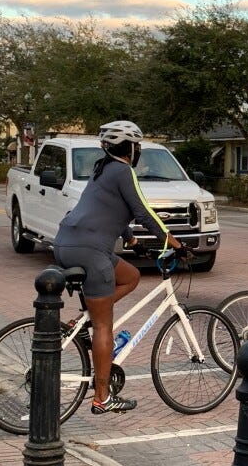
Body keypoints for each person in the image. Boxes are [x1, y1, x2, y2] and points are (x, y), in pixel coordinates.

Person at [53, 120, 186, 414]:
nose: (138, 151)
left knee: (131, 275)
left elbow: (107, 208)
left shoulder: (101, 170)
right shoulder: (123, 170)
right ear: (130, 148)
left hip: (65, 244)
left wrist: (133, 241)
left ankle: (84, 317)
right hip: (90, 251)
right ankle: (102, 397)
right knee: (104, 326)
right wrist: (175, 244)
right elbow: (143, 211)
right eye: (137, 146)